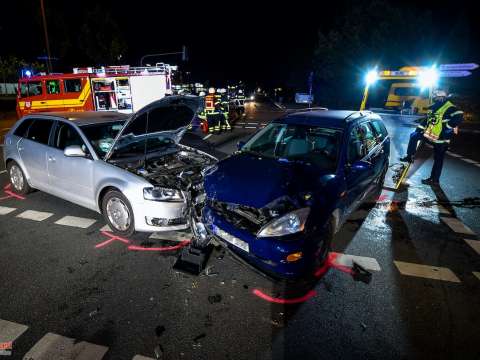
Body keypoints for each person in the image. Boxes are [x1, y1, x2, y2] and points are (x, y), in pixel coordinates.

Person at [400, 89, 464, 185]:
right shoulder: (432, 107)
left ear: (442, 97)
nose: (434, 97)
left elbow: (459, 116)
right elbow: (427, 120)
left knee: (438, 159)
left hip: (441, 139)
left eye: (436, 96)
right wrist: (419, 129)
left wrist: (447, 127)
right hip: (430, 135)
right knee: (413, 136)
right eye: (434, 96)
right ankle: (409, 156)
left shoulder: (450, 107)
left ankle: (434, 180)